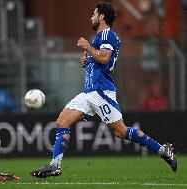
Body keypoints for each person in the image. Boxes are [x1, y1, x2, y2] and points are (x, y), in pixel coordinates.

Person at [30, 2, 177, 178]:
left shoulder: (108, 35)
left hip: (101, 93)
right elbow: (99, 58)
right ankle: (55, 165)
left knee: (121, 131)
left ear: (101, 17)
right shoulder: (99, 38)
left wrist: (88, 48)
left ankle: (162, 150)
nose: (91, 17)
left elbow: (105, 58)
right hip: (88, 93)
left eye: (94, 14)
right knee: (62, 122)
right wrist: (88, 60)